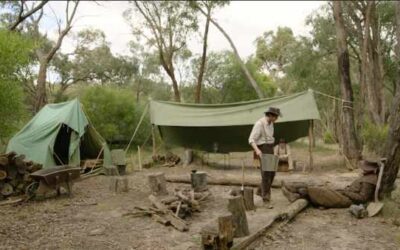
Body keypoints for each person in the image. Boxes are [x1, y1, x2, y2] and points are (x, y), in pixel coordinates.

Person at [281, 160, 381, 208]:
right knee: (321, 189)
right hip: (345, 195)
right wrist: (345, 191)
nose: (362, 169)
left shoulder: (369, 180)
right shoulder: (367, 177)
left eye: (364, 168)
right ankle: (294, 193)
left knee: (320, 191)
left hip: (348, 200)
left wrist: (346, 192)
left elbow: (362, 198)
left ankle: (293, 191)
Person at [248, 107, 281, 202]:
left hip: (270, 148)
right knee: (266, 174)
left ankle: (259, 190)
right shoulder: (259, 124)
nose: (277, 119)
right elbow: (251, 140)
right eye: (276, 116)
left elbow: (270, 138)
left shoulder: (271, 124)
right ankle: (266, 198)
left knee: (272, 174)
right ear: (270, 115)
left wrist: (274, 150)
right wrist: (257, 150)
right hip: (262, 148)